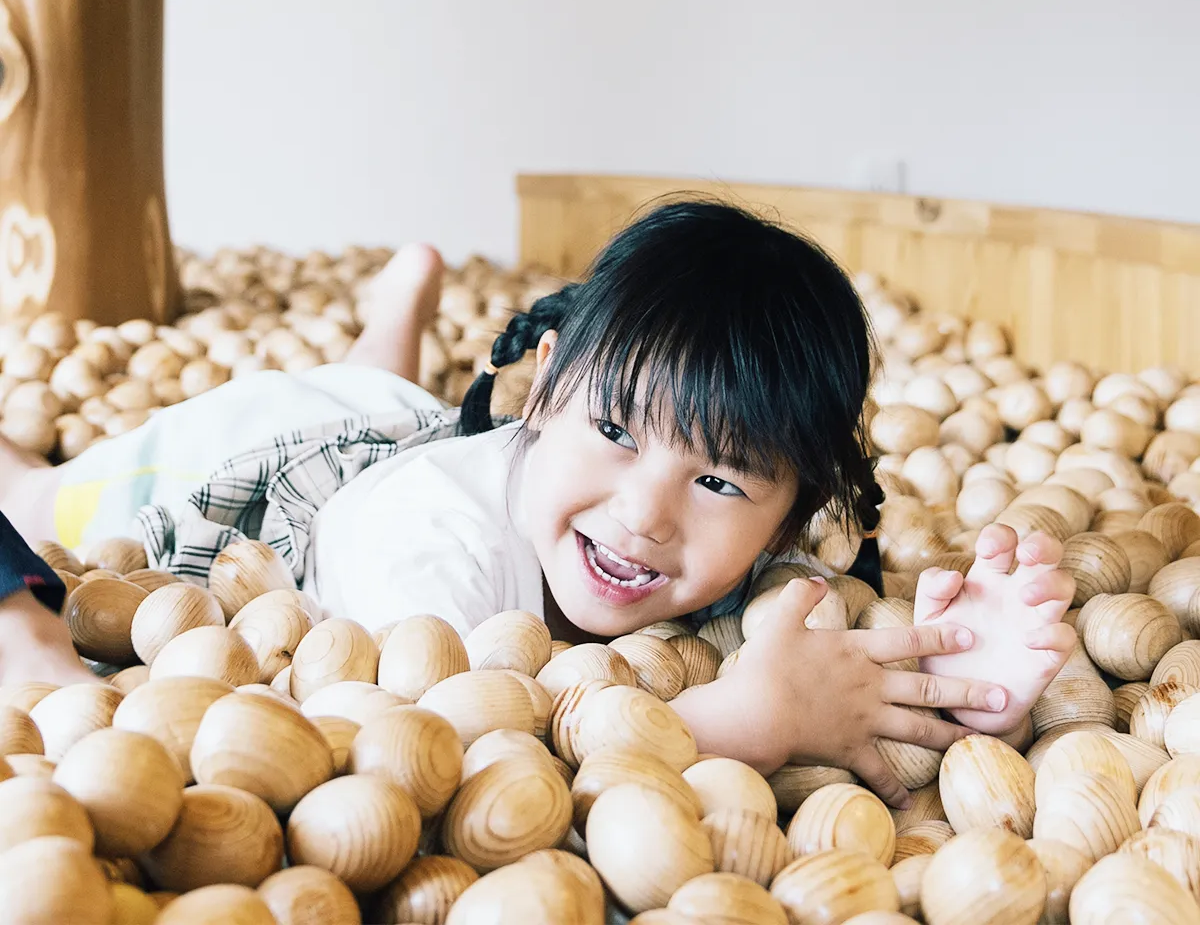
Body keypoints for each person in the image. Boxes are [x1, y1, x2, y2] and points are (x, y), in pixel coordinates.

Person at [0, 202, 1075, 806]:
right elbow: (435, 760)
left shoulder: (752, 555)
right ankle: (388, 326)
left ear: (789, 516)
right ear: (546, 385)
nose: (648, 514)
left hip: (451, 441)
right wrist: (742, 722)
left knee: (402, 398)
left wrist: (964, 676)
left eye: (716, 480)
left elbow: (847, 681)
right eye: (615, 430)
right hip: (276, 456)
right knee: (48, 490)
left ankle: (394, 329)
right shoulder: (425, 550)